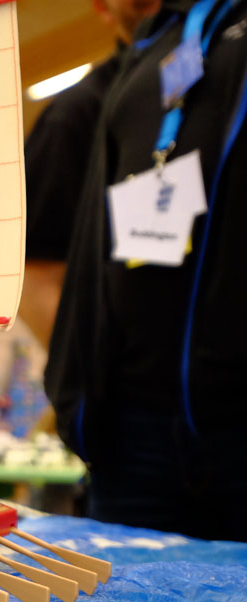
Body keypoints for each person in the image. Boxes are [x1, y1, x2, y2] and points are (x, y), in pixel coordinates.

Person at [45, 0, 247, 541]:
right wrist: (77, 397)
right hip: (131, 436)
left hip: (234, 424)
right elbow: (91, 244)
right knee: (121, 595)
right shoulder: (158, 45)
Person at [22, 0, 162, 346]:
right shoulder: (76, 116)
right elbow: (36, 276)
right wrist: (91, 373)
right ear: (102, 8)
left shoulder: (224, 83)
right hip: (144, 371)